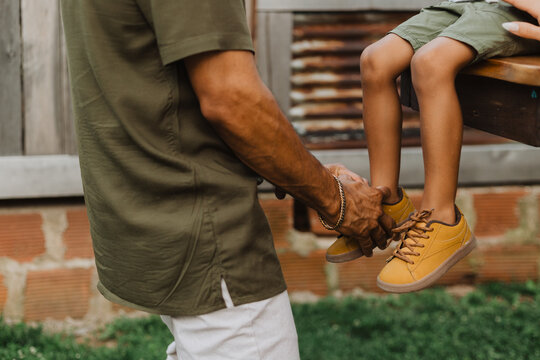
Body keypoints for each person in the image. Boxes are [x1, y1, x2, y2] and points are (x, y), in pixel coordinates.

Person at [60, 1, 394, 359]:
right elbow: (231, 99)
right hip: (205, 237)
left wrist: (301, 173)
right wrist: (338, 201)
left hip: (154, 216)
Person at [326, 0, 540, 293]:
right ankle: (388, 203)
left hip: (518, 10)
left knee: (430, 62)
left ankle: (441, 218)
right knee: (375, 60)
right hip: (469, 2)